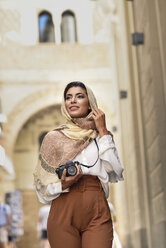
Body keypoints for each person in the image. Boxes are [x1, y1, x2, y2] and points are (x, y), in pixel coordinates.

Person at [34, 81, 124, 248]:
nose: (73, 101)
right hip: (63, 207)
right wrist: (62, 184)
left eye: (79, 96)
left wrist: (103, 130)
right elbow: (41, 188)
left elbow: (116, 171)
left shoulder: (101, 137)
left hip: (96, 206)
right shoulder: (54, 138)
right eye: (68, 98)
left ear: (89, 103)